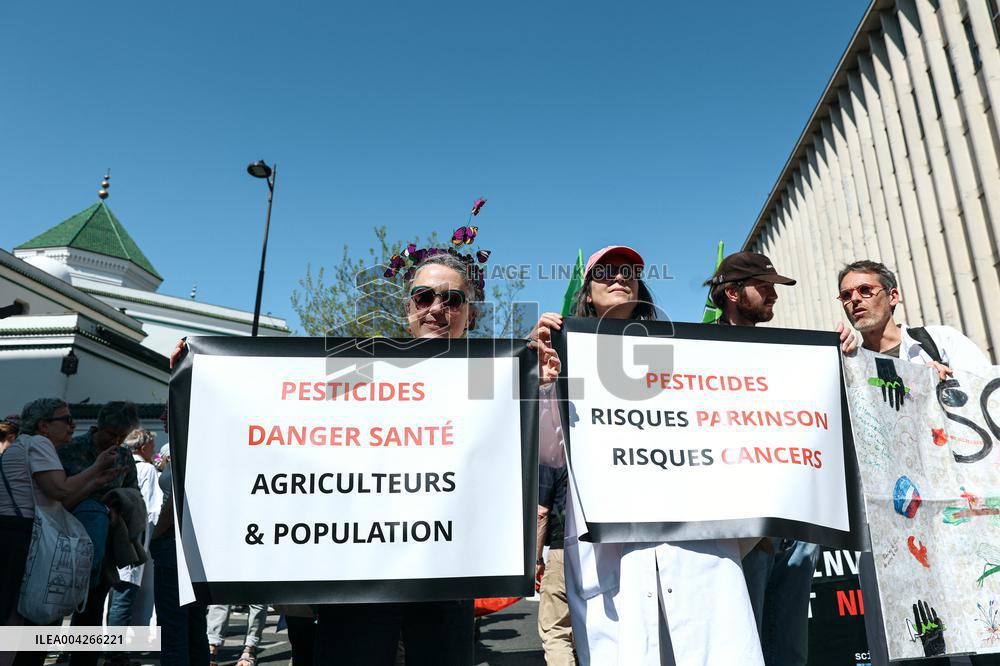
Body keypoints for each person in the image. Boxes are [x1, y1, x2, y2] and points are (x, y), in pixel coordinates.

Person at [532, 245, 764, 665]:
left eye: (629, 272)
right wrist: (545, 382)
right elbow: (550, 453)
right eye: (605, 271)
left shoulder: (681, 352)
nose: (619, 277)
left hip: (691, 542)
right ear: (587, 291)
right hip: (610, 550)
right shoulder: (566, 356)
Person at [313, 250, 483, 666]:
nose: (437, 309)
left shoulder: (492, 382)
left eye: (452, 299)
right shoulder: (359, 373)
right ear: (408, 309)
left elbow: (546, 456)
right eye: (424, 297)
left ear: (470, 315)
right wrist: (199, 375)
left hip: (447, 570)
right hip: (359, 568)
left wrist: (542, 387)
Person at [835, 260, 994, 666]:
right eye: (846, 295)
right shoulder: (846, 364)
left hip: (958, 507)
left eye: (865, 290)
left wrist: (946, 382)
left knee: (982, 619)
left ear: (893, 296)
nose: (855, 301)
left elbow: (985, 402)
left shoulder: (939, 342)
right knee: (918, 635)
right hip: (897, 521)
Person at [705, 251, 821, 666]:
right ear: (733, 293)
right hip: (741, 528)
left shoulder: (788, 351)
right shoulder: (695, 350)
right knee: (744, 645)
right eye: (764, 287)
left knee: (789, 648)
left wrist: (842, 354)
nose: (774, 295)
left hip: (798, 522)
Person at [0, 399, 118, 666]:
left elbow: (57, 501)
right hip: (23, 536)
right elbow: (60, 490)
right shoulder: (39, 443)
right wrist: (96, 467)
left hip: (12, 533)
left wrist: (94, 482)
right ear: (44, 425)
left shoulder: (22, 445)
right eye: (66, 419)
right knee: (27, 614)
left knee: (13, 612)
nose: (72, 425)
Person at [56, 401, 140, 666]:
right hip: (65, 539)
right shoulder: (70, 449)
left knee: (92, 609)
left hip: (103, 544)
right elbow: (55, 492)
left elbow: (133, 491)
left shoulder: (124, 455)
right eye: (111, 434)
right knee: (54, 607)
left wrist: (117, 507)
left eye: (121, 436)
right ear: (99, 426)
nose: (115, 441)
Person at [107, 429, 162, 629]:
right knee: (126, 594)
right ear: (144, 447)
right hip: (134, 538)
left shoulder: (115, 463)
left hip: (113, 533)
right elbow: (152, 510)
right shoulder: (147, 469)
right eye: (152, 446)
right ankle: (118, 644)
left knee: (111, 594)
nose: (154, 450)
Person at [536, 463, 573, 666]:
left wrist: (536, 559)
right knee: (599, 627)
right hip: (610, 549)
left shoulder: (554, 455)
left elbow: (541, 512)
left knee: (556, 630)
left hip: (564, 547)